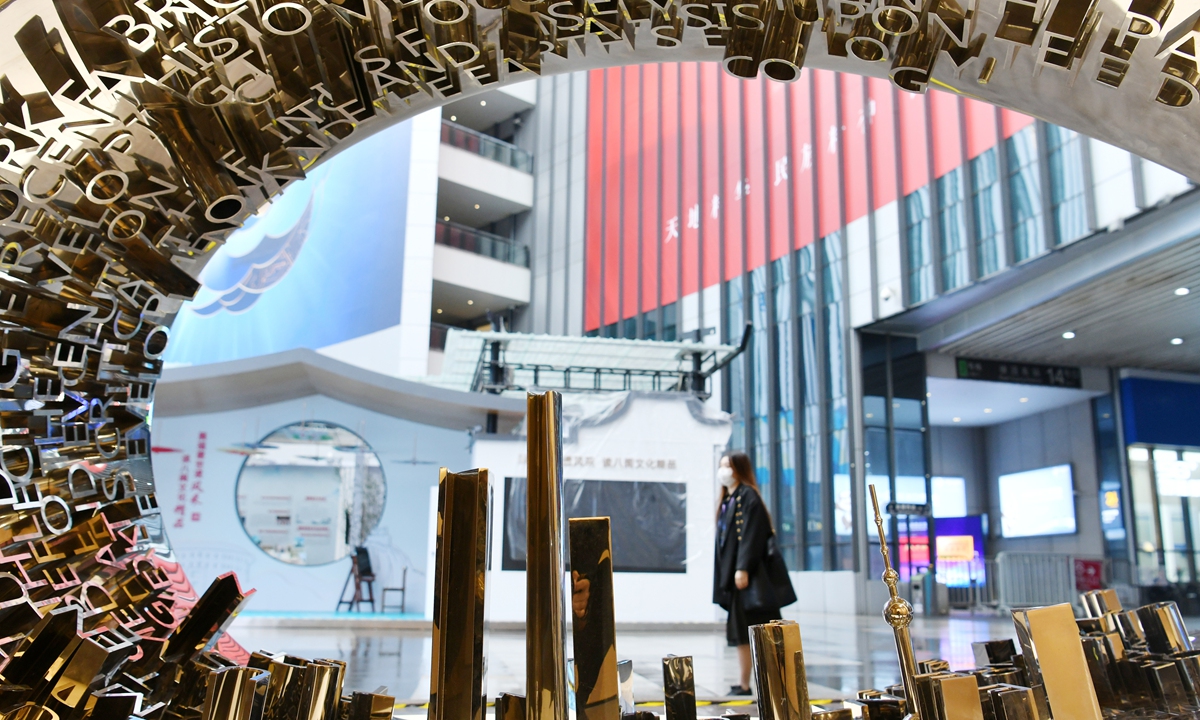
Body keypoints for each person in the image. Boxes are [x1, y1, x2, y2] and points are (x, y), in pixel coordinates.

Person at [712, 451, 781, 696]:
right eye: (721, 466)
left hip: (749, 580)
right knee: (742, 633)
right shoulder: (729, 499)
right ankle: (744, 683)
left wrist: (742, 568)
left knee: (758, 633)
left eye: (727, 466)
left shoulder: (748, 496)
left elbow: (753, 536)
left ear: (739, 468)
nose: (723, 471)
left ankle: (761, 684)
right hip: (735, 580)